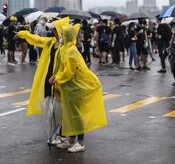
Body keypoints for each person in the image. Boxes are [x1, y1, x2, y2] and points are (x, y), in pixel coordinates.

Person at [49, 25, 107, 153]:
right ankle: (70, 140)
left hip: (75, 88)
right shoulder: (66, 49)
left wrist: (57, 78)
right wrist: (56, 77)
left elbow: (69, 71)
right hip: (69, 88)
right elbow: (62, 68)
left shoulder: (72, 51)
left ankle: (80, 143)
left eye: (64, 35)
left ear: (69, 36)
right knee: (70, 115)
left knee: (77, 115)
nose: (61, 37)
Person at [17, 17, 70, 145]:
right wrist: (23, 34)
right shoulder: (51, 42)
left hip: (60, 81)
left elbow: (70, 67)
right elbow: (37, 39)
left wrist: (59, 78)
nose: (52, 32)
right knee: (51, 108)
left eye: (55, 30)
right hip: (49, 80)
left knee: (62, 108)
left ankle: (62, 134)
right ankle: (53, 133)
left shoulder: (67, 47)